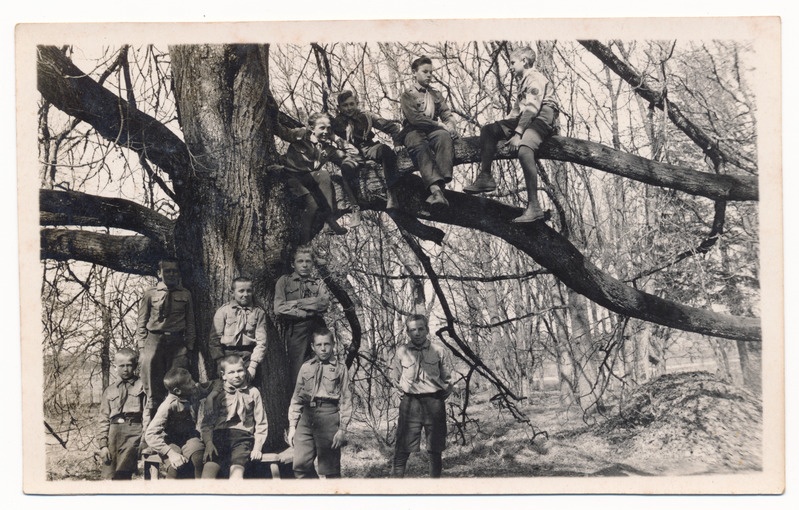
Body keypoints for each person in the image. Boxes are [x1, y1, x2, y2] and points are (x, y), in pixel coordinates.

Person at [463, 46, 560, 223]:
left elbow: (532, 108)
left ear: (524, 61)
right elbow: (516, 113)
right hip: (527, 116)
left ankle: (534, 207)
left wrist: (518, 133)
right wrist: (502, 129)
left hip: (542, 114)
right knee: (488, 130)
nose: (510, 66)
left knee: (524, 149)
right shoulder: (522, 81)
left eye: (512, 62)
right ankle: (485, 177)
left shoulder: (535, 78)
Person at [275, 112, 356, 243]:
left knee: (324, 174)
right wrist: (273, 111)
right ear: (312, 128)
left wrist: (335, 138)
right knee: (312, 203)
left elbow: (353, 153)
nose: (326, 131)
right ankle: (303, 243)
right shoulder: (301, 134)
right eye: (322, 128)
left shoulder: (328, 148)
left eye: (329, 128)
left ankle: (329, 217)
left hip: (309, 178)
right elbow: (280, 131)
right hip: (291, 175)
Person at [389, 314, 453, 478]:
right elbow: (394, 378)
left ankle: (434, 490)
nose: (417, 333)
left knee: (435, 449)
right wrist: (403, 394)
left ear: (427, 330)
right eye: (412, 330)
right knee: (402, 448)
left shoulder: (439, 351)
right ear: (408, 333)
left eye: (420, 329)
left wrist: (437, 397)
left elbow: (447, 380)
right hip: (410, 404)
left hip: (434, 403)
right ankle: (394, 491)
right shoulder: (402, 351)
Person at [287, 327, 353, 479]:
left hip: (328, 417)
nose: (323, 348)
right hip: (306, 418)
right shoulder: (306, 367)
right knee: (300, 468)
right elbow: (296, 397)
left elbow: (346, 399)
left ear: (333, 344)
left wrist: (342, 429)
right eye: (319, 345)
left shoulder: (340, 369)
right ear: (312, 347)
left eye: (327, 344)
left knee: (331, 471)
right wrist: (292, 426)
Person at [136, 258, 196, 418]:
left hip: (177, 343)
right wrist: (142, 348)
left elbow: (190, 323)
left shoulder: (185, 294)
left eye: (174, 271)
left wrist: (189, 347)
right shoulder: (150, 294)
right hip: (154, 341)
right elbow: (141, 321)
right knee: (152, 384)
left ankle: (177, 425)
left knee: (178, 383)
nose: (171, 274)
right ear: (159, 273)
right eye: (167, 271)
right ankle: (150, 424)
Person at [398, 55, 459, 210]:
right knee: (420, 145)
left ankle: (440, 188)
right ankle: (436, 191)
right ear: (414, 73)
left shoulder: (436, 94)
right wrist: (438, 123)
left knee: (444, 137)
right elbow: (415, 118)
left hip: (433, 131)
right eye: (425, 72)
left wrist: (451, 126)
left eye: (431, 72)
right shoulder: (408, 95)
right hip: (413, 131)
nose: (429, 75)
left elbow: (446, 113)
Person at [332, 90, 403, 211]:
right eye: (345, 105)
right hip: (350, 154)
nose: (349, 108)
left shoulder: (366, 116)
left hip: (368, 148)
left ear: (356, 103)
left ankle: (392, 194)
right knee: (346, 169)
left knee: (385, 150)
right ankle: (355, 206)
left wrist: (397, 143)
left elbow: (391, 127)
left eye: (351, 104)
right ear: (339, 107)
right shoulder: (335, 123)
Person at [200, 354, 269, 479]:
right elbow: (207, 424)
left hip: (243, 438)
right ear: (223, 375)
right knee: (207, 474)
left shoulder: (253, 392)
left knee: (236, 474)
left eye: (240, 371)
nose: (237, 375)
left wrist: (257, 447)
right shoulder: (217, 394)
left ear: (245, 370)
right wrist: (209, 443)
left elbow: (261, 423)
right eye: (231, 372)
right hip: (219, 438)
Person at [144, 368, 218, 479]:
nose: (194, 383)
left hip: (189, 437)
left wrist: (210, 398)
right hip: (169, 441)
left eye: (191, 379)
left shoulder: (194, 390)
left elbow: (217, 383)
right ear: (178, 391)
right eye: (189, 382)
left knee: (198, 456)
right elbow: (150, 434)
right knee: (176, 466)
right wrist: (170, 453)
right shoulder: (168, 405)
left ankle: (199, 491)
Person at [274, 245, 330, 387]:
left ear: (312, 264)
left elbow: (323, 304)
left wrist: (295, 303)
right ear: (293, 264)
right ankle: (302, 405)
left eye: (308, 261)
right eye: (300, 261)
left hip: (318, 327)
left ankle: (321, 403)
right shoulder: (284, 281)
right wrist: (306, 310)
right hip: (297, 329)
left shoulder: (318, 283)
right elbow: (279, 308)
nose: (304, 265)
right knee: (299, 369)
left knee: (323, 364)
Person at [97, 348, 148, 480]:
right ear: (115, 367)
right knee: (111, 475)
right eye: (122, 366)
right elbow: (103, 419)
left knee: (123, 472)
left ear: (135, 366)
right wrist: (103, 445)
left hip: (134, 432)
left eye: (129, 365)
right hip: (114, 435)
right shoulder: (109, 390)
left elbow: (147, 413)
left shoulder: (142, 386)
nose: (126, 369)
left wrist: (145, 438)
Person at [209, 276, 267, 381]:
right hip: (227, 355)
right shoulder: (223, 311)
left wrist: (253, 365)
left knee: (250, 389)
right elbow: (214, 339)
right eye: (241, 291)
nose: (245, 294)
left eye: (249, 291)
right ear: (232, 293)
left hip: (249, 356)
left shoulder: (258, 312)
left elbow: (262, 342)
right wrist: (219, 362)